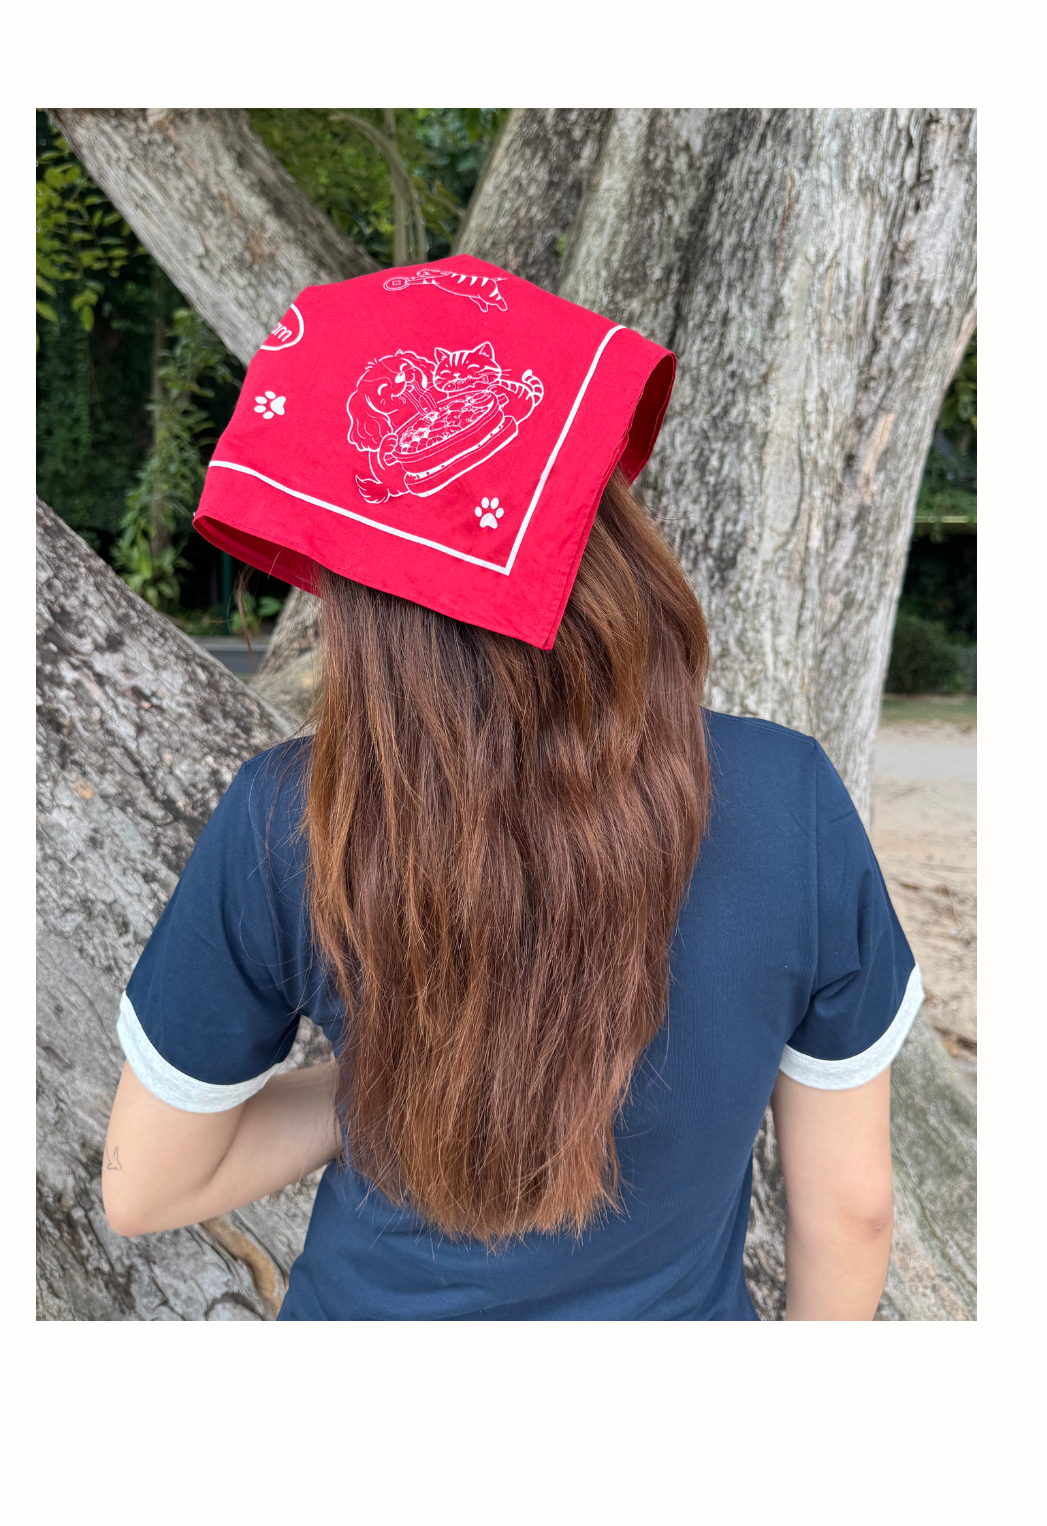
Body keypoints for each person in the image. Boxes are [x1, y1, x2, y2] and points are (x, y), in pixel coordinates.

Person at [102, 256, 921, 1321]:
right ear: (603, 525)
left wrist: (386, 1089)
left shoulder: (289, 820)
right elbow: (853, 1214)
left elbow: (149, 1185)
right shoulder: (790, 801)